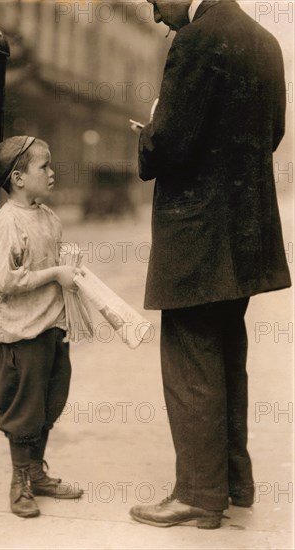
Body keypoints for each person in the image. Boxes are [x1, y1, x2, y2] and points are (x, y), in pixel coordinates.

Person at [130, 0, 291, 529]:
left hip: (197, 237)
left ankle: (199, 494)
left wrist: (148, 132)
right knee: (226, 355)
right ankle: (233, 481)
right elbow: (273, 134)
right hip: (244, 235)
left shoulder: (197, 40)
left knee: (191, 361)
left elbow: (172, 143)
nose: (154, 14)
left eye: (155, 1)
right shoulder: (266, 43)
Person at [0, 136, 83, 518]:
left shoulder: (48, 216)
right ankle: (19, 481)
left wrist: (69, 270)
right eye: (45, 167)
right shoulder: (8, 223)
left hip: (51, 325)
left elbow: (53, 265)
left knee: (49, 401)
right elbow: (7, 281)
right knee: (24, 407)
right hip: (22, 332)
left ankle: (37, 473)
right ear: (19, 178)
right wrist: (57, 271)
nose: (52, 173)